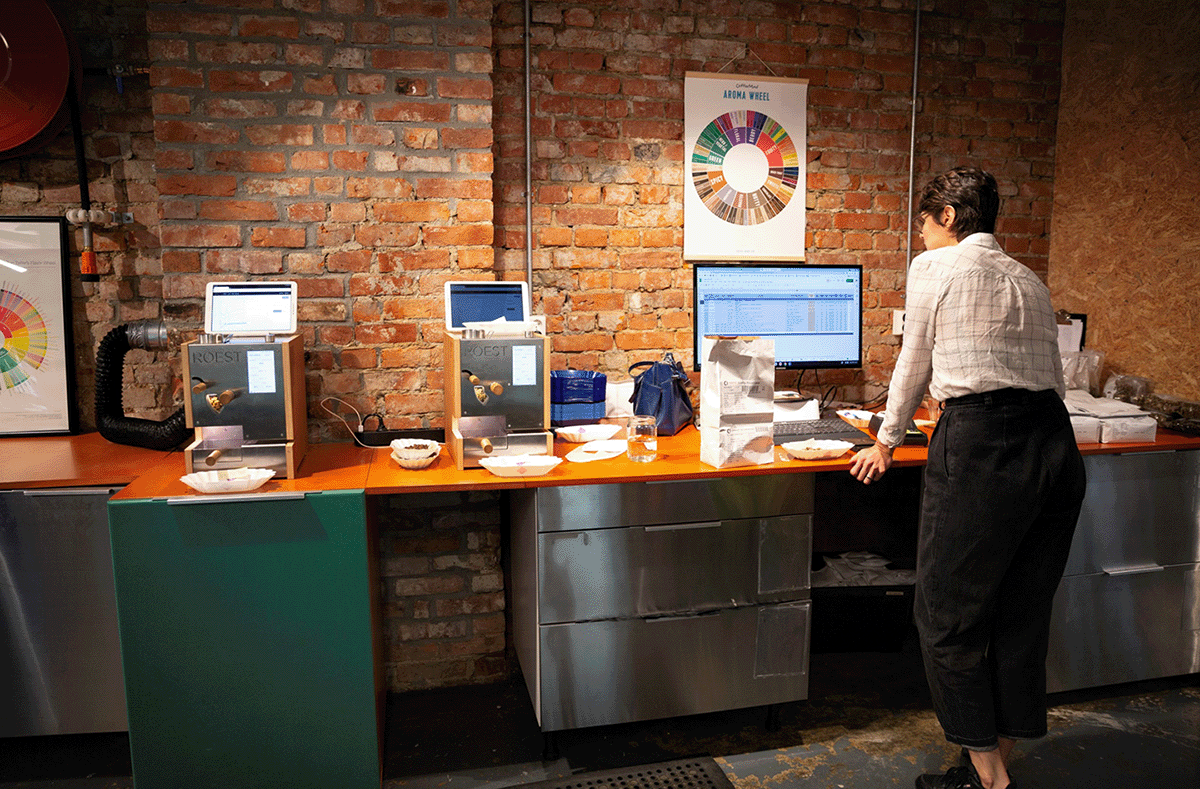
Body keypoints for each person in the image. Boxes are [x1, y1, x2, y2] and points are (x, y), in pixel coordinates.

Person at [848, 167, 1086, 789]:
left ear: (948, 217)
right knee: (1020, 613)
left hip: (985, 445)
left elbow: (913, 358)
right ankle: (995, 756)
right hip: (1055, 448)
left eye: (923, 224)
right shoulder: (1028, 277)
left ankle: (988, 779)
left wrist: (885, 441)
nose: (921, 238)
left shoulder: (938, 268)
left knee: (947, 617)